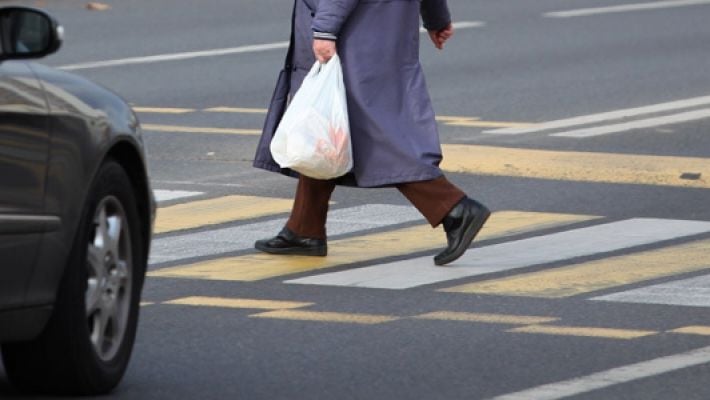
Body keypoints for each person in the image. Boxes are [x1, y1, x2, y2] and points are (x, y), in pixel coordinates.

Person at [253, 0, 490, 266]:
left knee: (373, 135)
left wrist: (325, 30)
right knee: (327, 134)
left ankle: (454, 209)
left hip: (355, 33)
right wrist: (437, 17)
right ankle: (304, 229)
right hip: (384, 33)